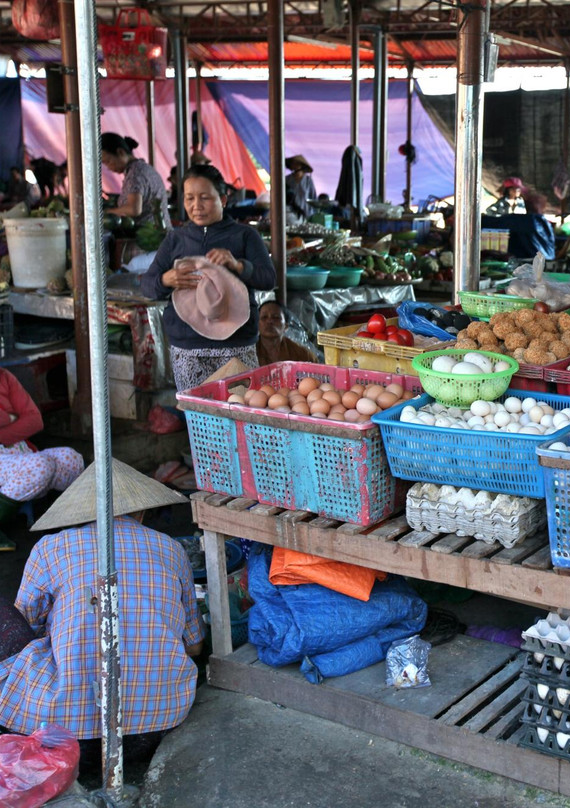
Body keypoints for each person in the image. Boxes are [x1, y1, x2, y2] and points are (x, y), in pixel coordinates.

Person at [0, 459, 202, 767]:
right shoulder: (171, 549)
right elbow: (195, 645)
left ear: (82, 512)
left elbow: (24, 626)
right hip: (156, 726)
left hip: (61, 737)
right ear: (142, 510)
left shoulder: (51, 548)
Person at [141, 164, 276, 391]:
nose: (196, 206)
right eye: (189, 198)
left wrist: (238, 266)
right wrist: (166, 280)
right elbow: (146, 286)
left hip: (236, 342)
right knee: (198, 417)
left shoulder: (245, 235)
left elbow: (268, 279)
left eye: (205, 198)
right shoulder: (176, 240)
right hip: (188, 345)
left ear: (223, 199)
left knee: (240, 412)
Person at [0, 367, 83, 505]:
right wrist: (11, 418)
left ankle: (64, 515)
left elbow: (34, 421)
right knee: (41, 466)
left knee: (72, 459)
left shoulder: (4, 376)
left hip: (22, 454)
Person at [100, 132, 170, 227]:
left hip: (151, 234)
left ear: (121, 152)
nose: (109, 167)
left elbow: (133, 209)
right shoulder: (140, 168)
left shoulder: (135, 174)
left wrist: (107, 212)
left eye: (108, 161)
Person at [256, 300, 317, 365]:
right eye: (264, 317)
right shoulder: (249, 353)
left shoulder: (303, 355)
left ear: (286, 326)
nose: (269, 321)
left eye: (276, 317)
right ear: (257, 324)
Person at [285, 154, 317, 222]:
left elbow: (313, 198)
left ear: (301, 165)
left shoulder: (308, 181)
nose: (293, 165)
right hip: (291, 215)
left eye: (296, 163)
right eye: (292, 163)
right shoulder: (287, 180)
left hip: (307, 214)